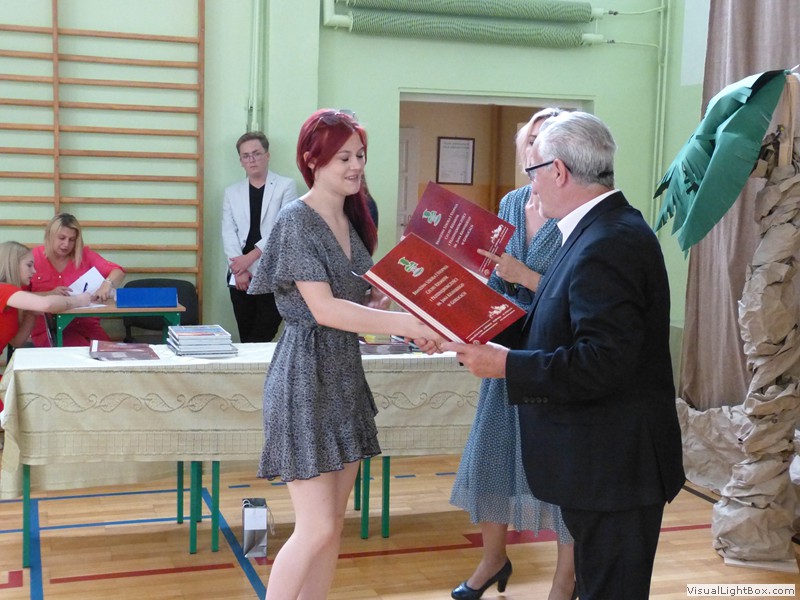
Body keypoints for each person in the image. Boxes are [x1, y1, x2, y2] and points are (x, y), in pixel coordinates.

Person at [444, 111, 685, 600]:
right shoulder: (592, 230)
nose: (530, 187)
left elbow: (602, 361)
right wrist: (464, 329)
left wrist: (505, 365)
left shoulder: (610, 241)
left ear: (558, 171)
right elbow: (552, 324)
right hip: (600, 464)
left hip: (615, 467)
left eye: (533, 172)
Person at [248, 108, 443, 600]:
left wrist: (389, 303)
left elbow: (354, 301)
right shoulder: (297, 220)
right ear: (312, 161)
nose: (356, 166)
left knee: (333, 524)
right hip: (305, 377)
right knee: (314, 527)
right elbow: (324, 308)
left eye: (360, 156)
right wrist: (407, 324)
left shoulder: (352, 216)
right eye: (343, 158)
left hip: (343, 375)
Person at [449, 108, 576, 600]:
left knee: (563, 466)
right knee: (492, 457)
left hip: (552, 348)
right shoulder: (512, 202)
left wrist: (522, 275)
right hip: (504, 345)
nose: (537, 148)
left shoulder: (575, 209)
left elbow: (576, 292)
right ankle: (493, 559)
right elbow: (495, 279)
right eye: (532, 139)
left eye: (548, 139)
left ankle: (565, 580)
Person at [222, 131, 298, 342]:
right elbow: (228, 231)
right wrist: (238, 269)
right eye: (246, 156)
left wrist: (250, 258)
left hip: (273, 270)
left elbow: (283, 228)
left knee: (262, 335)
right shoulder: (231, 192)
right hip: (240, 274)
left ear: (267, 155)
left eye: (256, 153)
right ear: (241, 161)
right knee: (246, 338)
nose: (252, 160)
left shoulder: (286, 186)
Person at [0, 241, 91, 409]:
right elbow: (47, 304)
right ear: (12, 264)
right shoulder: (3, 290)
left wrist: (30, 313)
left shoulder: (13, 298)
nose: (34, 271)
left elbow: (16, 341)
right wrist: (78, 300)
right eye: (29, 265)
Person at [29, 213, 124, 347]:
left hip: (87, 326)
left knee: (110, 353)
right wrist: (49, 294)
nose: (66, 244)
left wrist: (107, 283)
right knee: (83, 354)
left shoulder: (85, 255)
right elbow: (18, 296)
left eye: (72, 240)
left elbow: (118, 271)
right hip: (50, 329)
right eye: (62, 238)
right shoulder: (33, 257)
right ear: (50, 235)